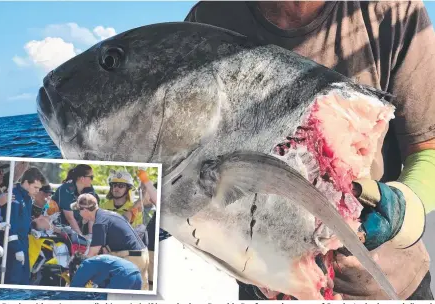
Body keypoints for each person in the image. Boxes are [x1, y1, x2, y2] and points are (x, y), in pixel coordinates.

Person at [184, 1, 435, 300]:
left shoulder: (393, 10)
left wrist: (406, 209)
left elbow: (427, 147)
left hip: (384, 284)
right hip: (266, 281)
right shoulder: (211, 18)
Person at [70, 193, 150, 290]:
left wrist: (79, 273)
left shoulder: (99, 223)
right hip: (142, 255)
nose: (78, 213)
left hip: (130, 258)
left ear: (85, 210)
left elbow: (92, 255)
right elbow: (105, 251)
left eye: (79, 210)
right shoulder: (107, 215)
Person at [0, 166, 47, 285]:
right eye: (35, 187)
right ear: (25, 182)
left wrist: (31, 230)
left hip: (24, 244)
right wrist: (17, 249)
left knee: (24, 280)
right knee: (14, 281)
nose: (37, 191)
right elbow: (10, 225)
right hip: (13, 247)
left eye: (39, 188)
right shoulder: (13, 196)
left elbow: (23, 220)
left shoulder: (28, 198)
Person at [51, 164, 98, 236]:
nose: (92, 180)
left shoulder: (89, 189)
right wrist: (80, 236)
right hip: (56, 226)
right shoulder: (65, 189)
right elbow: (69, 217)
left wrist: (91, 235)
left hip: (72, 227)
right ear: (82, 178)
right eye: (91, 177)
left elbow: (92, 213)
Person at [68, 252, 142, 290]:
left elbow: (74, 289)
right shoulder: (97, 262)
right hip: (136, 273)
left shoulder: (85, 264)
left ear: (77, 266)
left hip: (122, 275)